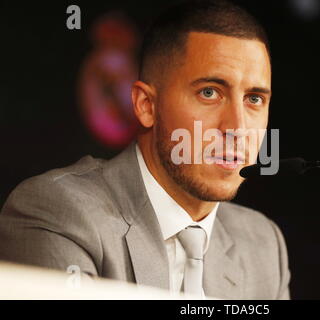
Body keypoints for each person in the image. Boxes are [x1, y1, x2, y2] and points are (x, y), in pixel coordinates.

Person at [0, 0, 290, 299]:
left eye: (254, 99)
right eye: (209, 92)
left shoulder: (263, 245)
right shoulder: (60, 213)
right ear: (146, 105)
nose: (237, 128)